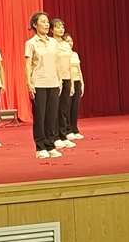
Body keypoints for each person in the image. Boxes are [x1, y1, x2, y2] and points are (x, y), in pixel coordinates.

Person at [24, 11, 62, 159]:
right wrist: (29, 83)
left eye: (47, 22)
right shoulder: (31, 43)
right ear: (35, 25)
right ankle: (40, 147)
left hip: (53, 82)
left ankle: (50, 144)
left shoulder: (53, 42)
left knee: (52, 116)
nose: (47, 24)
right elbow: (28, 65)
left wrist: (59, 80)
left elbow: (57, 62)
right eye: (43, 22)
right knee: (40, 116)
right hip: (38, 83)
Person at [51, 18, 76, 150]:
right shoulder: (51, 43)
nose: (61, 29)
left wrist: (71, 83)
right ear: (52, 30)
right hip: (56, 78)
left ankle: (63, 134)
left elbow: (70, 64)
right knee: (55, 109)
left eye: (62, 27)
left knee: (63, 109)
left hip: (67, 78)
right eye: (57, 27)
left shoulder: (66, 45)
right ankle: (55, 137)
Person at [64, 33, 85, 141]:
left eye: (71, 41)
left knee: (75, 107)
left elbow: (79, 69)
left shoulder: (75, 54)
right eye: (67, 41)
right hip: (68, 81)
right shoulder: (63, 55)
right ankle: (67, 130)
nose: (70, 43)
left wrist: (82, 83)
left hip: (77, 81)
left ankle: (74, 128)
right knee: (67, 107)